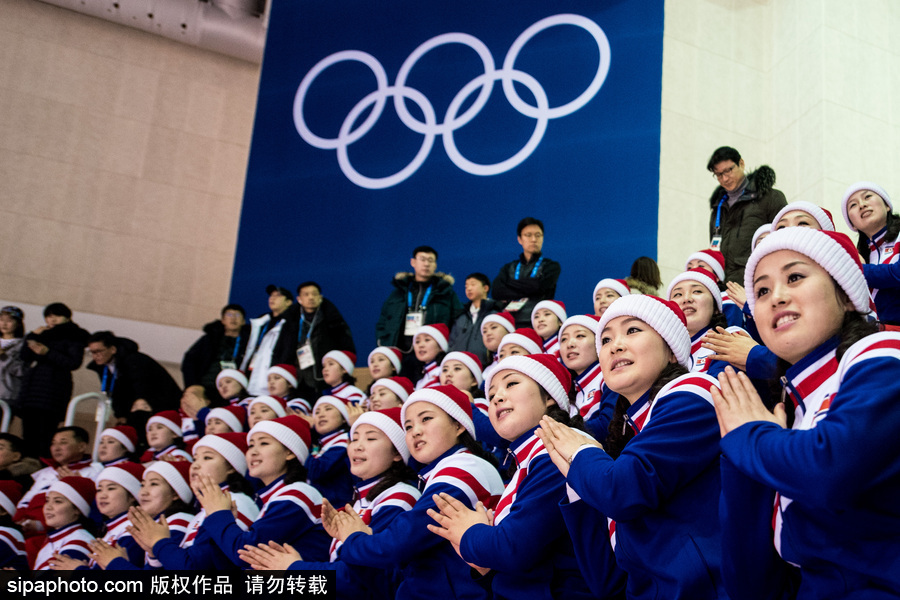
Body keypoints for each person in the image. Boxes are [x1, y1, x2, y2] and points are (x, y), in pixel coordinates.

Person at [713, 227, 900, 599]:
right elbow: (749, 585)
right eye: (762, 291)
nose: (775, 298)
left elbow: (829, 469)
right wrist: (740, 460)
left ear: (847, 297)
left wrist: (750, 438)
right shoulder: (791, 412)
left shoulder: (883, 354)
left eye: (795, 277)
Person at [538, 294, 728, 599]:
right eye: (606, 339)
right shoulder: (628, 433)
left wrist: (581, 455)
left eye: (633, 330)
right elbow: (608, 582)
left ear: (671, 351)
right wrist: (577, 485)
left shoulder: (695, 393)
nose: (615, 345)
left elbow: (622, 491)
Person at [428, 354, 614, 600]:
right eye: (491, 393)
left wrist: (470, 533)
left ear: (548, 397)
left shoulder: (556, 452)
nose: (497, 397)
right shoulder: (525, 459)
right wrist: (486, 567)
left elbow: (513, 549)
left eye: (511, 383)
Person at [328, 385, 504, 600]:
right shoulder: (444, 471)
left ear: (458, 425)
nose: (415, 431)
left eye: (426, 419)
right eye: (408, 427)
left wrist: (352, 539)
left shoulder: (463, 469)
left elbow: (396, 546)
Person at [240, 408, 419, 600]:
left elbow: (362, 578)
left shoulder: (400, 497)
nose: (357, 446)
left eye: (371, 438)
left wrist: (294, 568)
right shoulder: (361, 500)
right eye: (354, 439)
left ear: (397, 453)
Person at [128, 432, 259, 570]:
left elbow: (195, 567)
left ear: (231, 467)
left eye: (207, 457)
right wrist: (153, 555)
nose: (195, 465)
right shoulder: (201, 512)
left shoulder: (237, 501)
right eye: (195, 459)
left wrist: (159, 542)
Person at [375, 246, 464, 376]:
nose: (426, 264)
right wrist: (382, 342)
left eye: (430, 260)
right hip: (401, 353)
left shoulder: (445, 292)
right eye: (422, 259)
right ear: (413, 262)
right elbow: (384, 320)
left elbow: (458, 321)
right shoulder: (399, 292)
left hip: (432, 356)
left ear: (435, 265)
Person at [16, 303, 89, 458]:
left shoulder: (74, 336)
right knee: (28, 434)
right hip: (32, 390)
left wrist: (47, 352)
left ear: (67, 317)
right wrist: (32, 336)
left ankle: (41, 465)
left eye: (57, 316)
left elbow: (73, 362)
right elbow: (24, 356)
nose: (52, 320)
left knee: (46, 434)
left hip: (54, 390)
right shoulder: (43, 334)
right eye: (49, 316)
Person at [706, 146, 786, 283]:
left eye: (728, 170)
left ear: (741, 164)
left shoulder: (770, 197)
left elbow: (784, 240)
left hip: (758, 281)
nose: (724, 178)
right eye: (719, 175)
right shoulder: (718, 209)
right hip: (725, 288)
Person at [86, 331, 181, 439]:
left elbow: (142, 387)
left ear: (112, 349)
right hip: (134, 406)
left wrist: (137, 406)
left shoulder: (134, 360)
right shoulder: (103, 367)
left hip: (159, 403)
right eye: (92, 352)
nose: (95, 356)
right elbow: (115, 393)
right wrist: (120, 414)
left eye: (98, 351)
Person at [281, 281, 356, 399]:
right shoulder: (291, 319)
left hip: (324, 378)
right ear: (299, 299)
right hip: (299, 378)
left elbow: (347, 345)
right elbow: (282, 348)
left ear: (320, 297)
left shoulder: (332, 317)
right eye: (306, 294)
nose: (311, 297)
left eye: (314, 294)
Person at [842, 181, 900, 327]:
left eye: (867, 196)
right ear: (853, 225)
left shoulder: (858, 265)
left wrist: (857, 269)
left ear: (887, 206)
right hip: (881, 340)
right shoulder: (863, 256)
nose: (862, 205)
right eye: (853, 205)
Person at [492, 217, 562, 328]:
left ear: (543, 238)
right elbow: (496, 291)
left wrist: (510, 284)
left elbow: (538, 287)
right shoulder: (509, 267)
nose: (534, 239)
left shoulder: (551, 266)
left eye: (538, 235)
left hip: (538, 324)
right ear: (519, 239)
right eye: (528, 235)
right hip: (509, 323)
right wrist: (530, 288)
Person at [181, 304, 251, 402]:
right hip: (205, 387)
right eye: (229, 315)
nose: (233, 318)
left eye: (237, 315)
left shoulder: (250, 343)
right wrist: (192, 385)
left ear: (243, 321)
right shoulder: (209, 339)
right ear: (223, 320)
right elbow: (189, 361)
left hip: (233, 391)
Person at [241, 285, 297, 397]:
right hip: (252, 379)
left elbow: (287, 352)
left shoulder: (292, 324)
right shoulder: (261, 323)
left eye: (278, 295)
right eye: (271, 295)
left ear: (288, 302)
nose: (272, 298)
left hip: (272, 384)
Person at [35, 476, 96, 571]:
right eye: (47, 501)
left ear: (77, 509)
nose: (48, 507)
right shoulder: (53, 539)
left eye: (57, 501)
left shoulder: (80, 540)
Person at [447, 273, 499, 366]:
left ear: (485, 288)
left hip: (485, 366)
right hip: (460, 366)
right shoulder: (461, 315)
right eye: (466, 286)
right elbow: (452, 342)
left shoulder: (495, 314)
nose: (469, 288)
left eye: (473, 284)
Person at [0, 306, 25, 418]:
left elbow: (21, 371)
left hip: (6, 395)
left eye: (9, 321)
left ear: (18, 323)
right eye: (1, 320)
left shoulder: (23, 345)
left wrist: (4, 357)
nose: (4, 324)